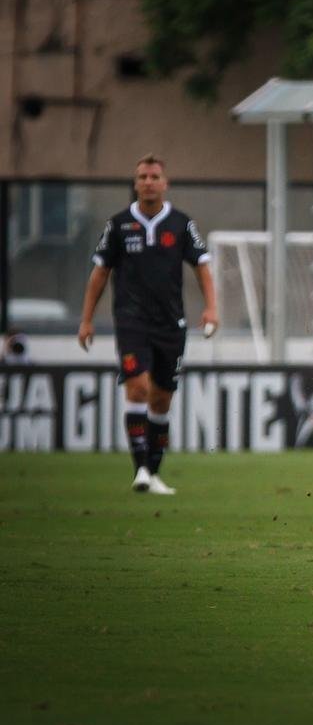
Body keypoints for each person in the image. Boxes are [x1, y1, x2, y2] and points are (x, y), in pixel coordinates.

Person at [78, 154, 218, 495]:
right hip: (132, 321)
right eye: (142, 176)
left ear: (165, 183)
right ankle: (140, 468)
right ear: (136, 182)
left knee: (161, 400)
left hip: (171, 324)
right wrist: (86, 320)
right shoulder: (119, 224)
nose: (148, 182)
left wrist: (211, 308)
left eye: (154, 176)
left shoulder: (181, 224)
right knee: (137, 387)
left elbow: (201, 266)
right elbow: (100, 273)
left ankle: (153, 471)